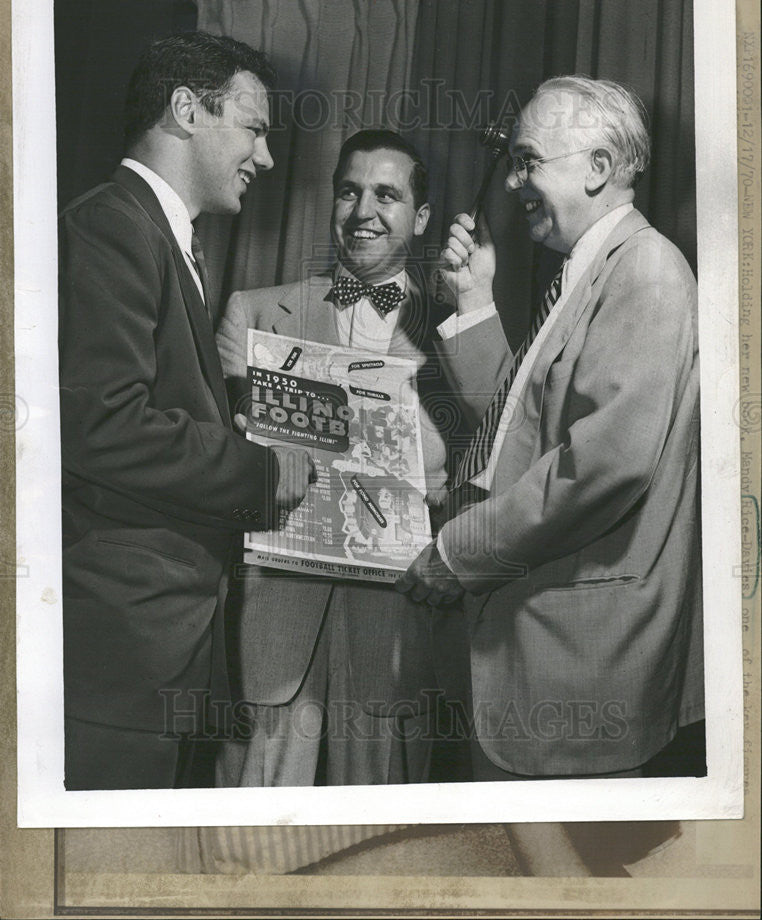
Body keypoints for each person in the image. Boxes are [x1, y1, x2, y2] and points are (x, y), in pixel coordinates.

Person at [397, 75, 705, 783]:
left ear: (599, 168)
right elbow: (524, 434)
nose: (511, 183)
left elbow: (603, 466)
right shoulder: (592, 270)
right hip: (537, 656)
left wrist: (459, 551)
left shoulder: (648, 271)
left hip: (578, 669)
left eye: (529, 160)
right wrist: (474, 300)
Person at [59, 31, 315, 791]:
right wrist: (263, 470)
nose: (265, 158)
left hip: (161, 652)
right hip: (123, 652)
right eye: (255, 127)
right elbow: (103, 424)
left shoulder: (163, 237)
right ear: (186, 111)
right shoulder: (110, 225)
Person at [214, 129, 457, 786]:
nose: (363, 212)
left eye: (387, 195)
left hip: (398, 622)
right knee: (253, 827)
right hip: (276, 615)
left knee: (381, 835)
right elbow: (225, 463)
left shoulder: (461, 335)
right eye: (349, 192)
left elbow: (479, 476)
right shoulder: (255, 313)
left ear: (421, 216)